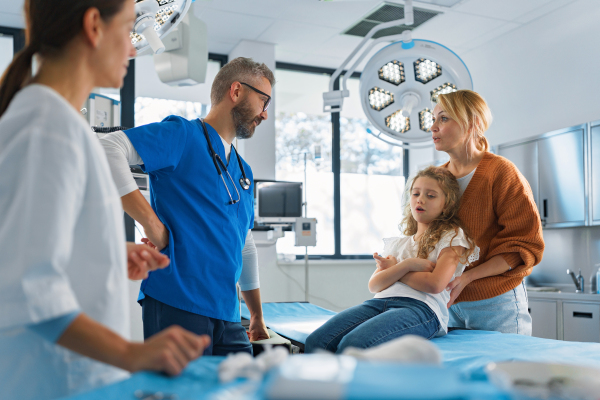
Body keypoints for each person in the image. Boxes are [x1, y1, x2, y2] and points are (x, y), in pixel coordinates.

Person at [0, 1, 211, 399]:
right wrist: (132, 353)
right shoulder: (46, 125)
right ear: (94, 25)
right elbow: (27, 287)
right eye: (129, 29)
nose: (134, 49)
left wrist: (106, 255)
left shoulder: (57, 122)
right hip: (52, 381)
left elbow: (26, 245)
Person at [99, 57, 274, 355]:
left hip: (228, 313)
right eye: (263, 100)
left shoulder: (243, 171)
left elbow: (243, 244)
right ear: (236, 91)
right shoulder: (183, 135)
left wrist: (256, 314)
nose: (265, 114)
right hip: (178, 301)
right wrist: (153, 227)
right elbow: (106, 148)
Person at [305, 167, 478, 353]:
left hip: (421, 309)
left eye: (431, 195)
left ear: (447, 204)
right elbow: (375, 285)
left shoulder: (452, 237)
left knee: (353, 344)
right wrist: (406, 265)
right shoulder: (398, 244)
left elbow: (435, 284)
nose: (420, 199)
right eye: (416, 193)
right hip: (378, 303)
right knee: (316, 342)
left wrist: (394, 271)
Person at [431, 90, 545, 335]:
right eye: (432, 119)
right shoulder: (434, 180)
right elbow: (425, 238)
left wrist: (468, 278)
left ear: (472, 124)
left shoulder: (501, 173)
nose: (433, 127)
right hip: (446, 302)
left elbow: (524, 245)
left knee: (506, 371)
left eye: (443, 118)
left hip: (495, 303)